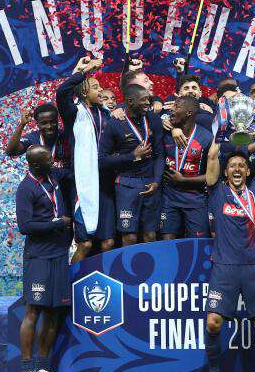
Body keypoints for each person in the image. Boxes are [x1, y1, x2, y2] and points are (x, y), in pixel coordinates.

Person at [199, 123, 255, 372]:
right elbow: (211, 156)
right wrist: (220, 126)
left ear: (248, 171)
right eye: (232, 166)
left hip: (253, 267)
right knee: (213, 323)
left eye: (241, 166)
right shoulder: (216, 191)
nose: (237, 169)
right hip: (224, 267)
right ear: (225, 172)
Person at [15, 145, 73, 372]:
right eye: (49, 159)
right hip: (38, 256)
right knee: (33, 310)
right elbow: (25, 226)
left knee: (53, 311)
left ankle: (43, 367)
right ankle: (26, 369)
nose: (53, 161)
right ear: (36, 164)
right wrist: (57, 224)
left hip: (59, 254)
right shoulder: (25, 188)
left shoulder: (54, 177)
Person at [55, 57, 114, 259]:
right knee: (86, 243)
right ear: (84, 93)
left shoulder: (107, 114)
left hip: (105, 183)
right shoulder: (74, 113)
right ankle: (70, 279)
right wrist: (84, 71)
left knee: (108, 243)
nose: (101, 91)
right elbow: (62, 92)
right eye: (96, 87)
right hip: (83, 183)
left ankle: (106, 279)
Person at [99, 84, 164, 246]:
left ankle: (151, 264)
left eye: (148, 100)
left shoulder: (154, 120)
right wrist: (132, 156)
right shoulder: (114, 124)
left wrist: (157, 181)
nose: (148, 103)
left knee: (150, 235)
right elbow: (102, 160)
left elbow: (159, 155)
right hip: (126, 185)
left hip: (150, 182)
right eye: (143, 100)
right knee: (129, 237)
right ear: (130, 101)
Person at [160, 96, 212, 239]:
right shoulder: (166, 132)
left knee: (197, 245)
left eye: (177, 107)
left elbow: (212, 176)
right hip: (169, 198)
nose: (172, 109)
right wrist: (171, 128)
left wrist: (184, 181)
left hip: (195, 200)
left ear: (189, 112)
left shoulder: (206, 138)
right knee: (167, 242)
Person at [5, 103, 71, 169]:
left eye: (53, 122)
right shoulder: (32, 138)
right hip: (42, 175)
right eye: (44, 123)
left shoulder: (67, 136)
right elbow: (10, 152)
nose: (49, 126)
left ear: (57, 121)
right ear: (37, 124)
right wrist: (22, 124)